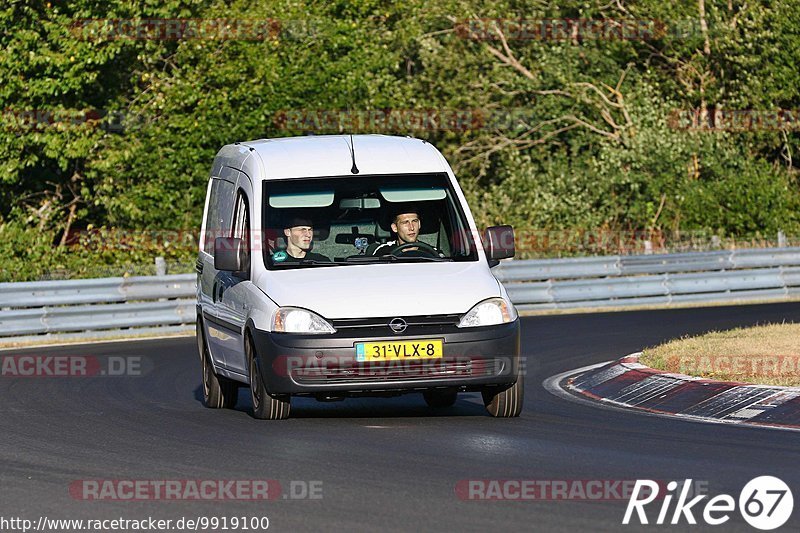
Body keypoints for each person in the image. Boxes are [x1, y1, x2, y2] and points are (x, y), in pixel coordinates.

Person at [368, 209, 444, 257]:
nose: (411, 228)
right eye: (405, 223)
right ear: (395, 227)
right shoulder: (383, 251)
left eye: (414, 221)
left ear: (419, 224)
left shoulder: (432, 253)